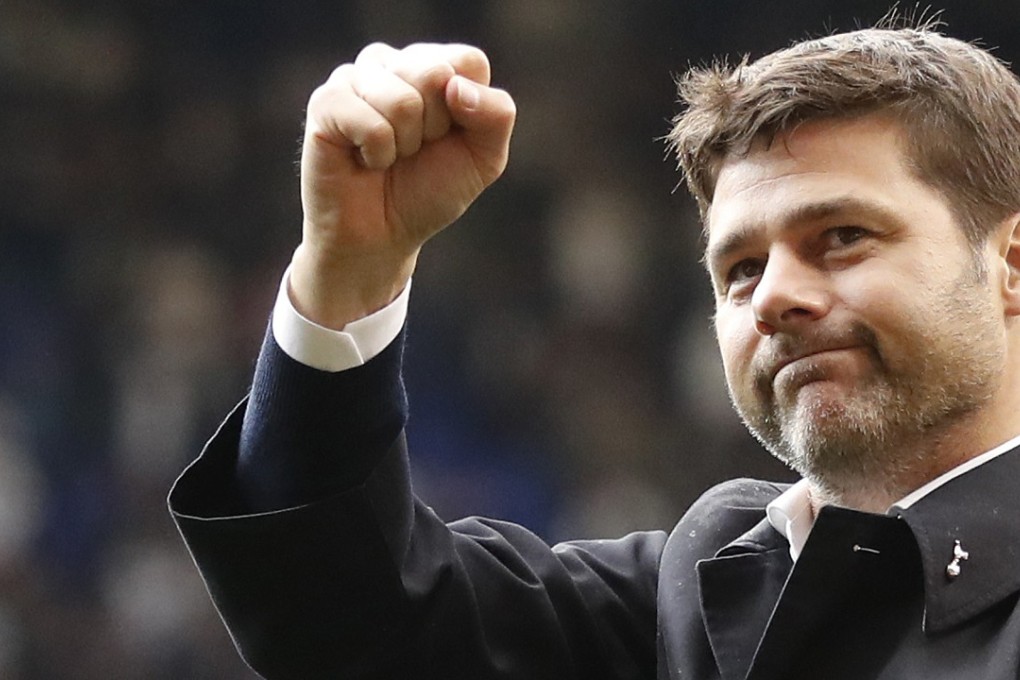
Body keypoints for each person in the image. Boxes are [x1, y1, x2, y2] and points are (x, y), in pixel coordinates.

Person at [170, 25, 1020, 680]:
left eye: (841, 236)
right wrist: (350, 267)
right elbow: (340, 615)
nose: (771, 298)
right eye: (740, 269)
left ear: (1009, 266)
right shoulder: (703, 587)